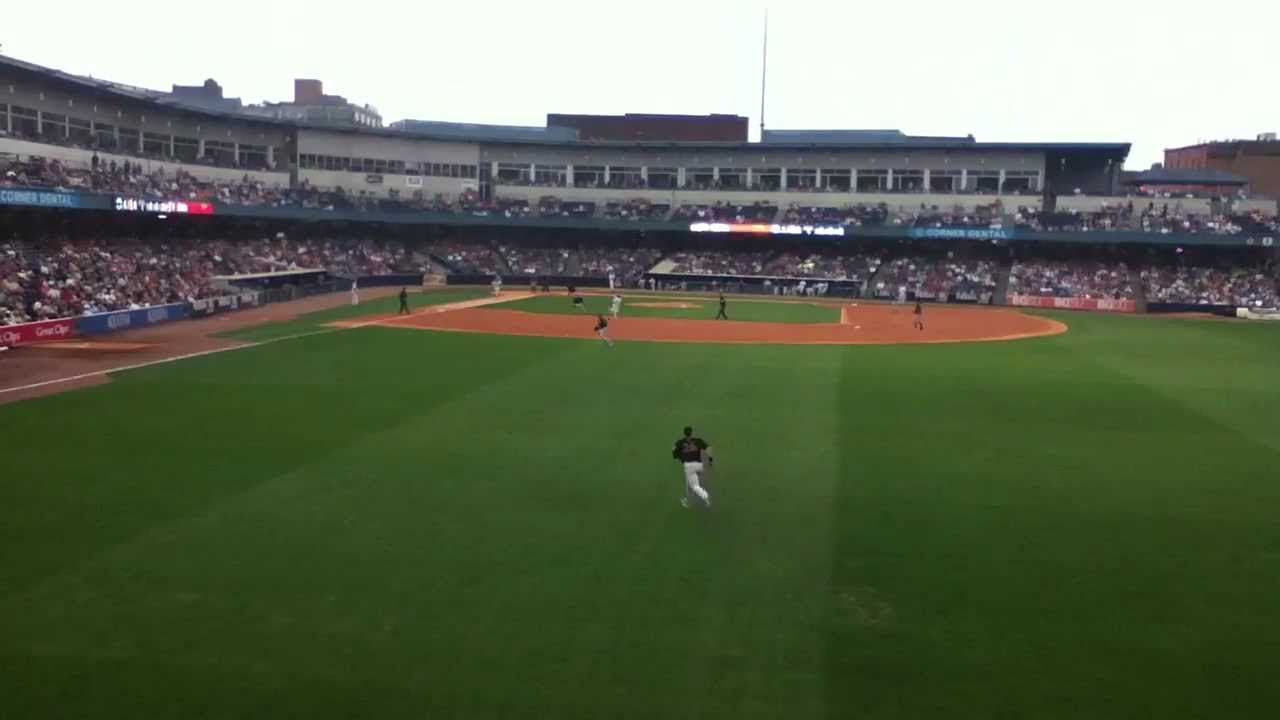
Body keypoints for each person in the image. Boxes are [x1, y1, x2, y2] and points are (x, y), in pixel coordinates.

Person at [672, 426, 713, 509]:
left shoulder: (680, 442)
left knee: (694, 486)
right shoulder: (698, 441)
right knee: (693, 482)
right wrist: (710, 459)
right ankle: (689, 498)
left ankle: (705, 497)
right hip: (700, 466)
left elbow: (673, 449)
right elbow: (708, 448)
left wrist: (677, 457)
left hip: (689, 467)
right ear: (692, 432)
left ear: (684, 433)